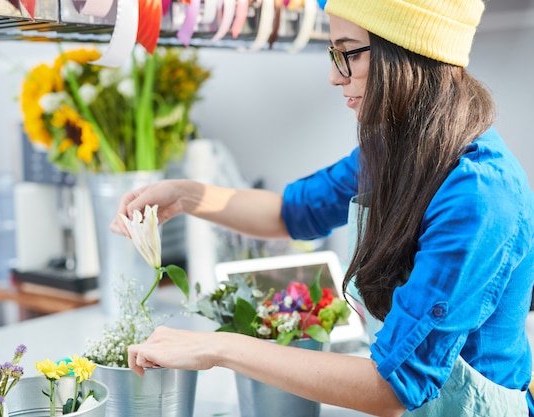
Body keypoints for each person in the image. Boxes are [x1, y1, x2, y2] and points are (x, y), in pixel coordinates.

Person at [111, 0, 534, 415]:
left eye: (347, 53)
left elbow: (391, 390)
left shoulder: (478, 197)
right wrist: (186, 195)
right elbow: (292, 213)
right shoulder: (394, 147)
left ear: (404, 52)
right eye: (334, 54)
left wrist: (218, 345)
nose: (334, 76)